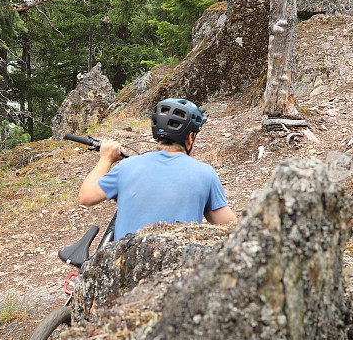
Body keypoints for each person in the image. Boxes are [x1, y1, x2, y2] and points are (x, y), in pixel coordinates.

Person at [78, 98, 237, 240]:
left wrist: (106, 158)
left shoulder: (127, 166)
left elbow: (86, 197)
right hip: (177, 267)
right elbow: (230, 227)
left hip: (125, 265)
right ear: (190, 137)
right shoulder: (205, 173)